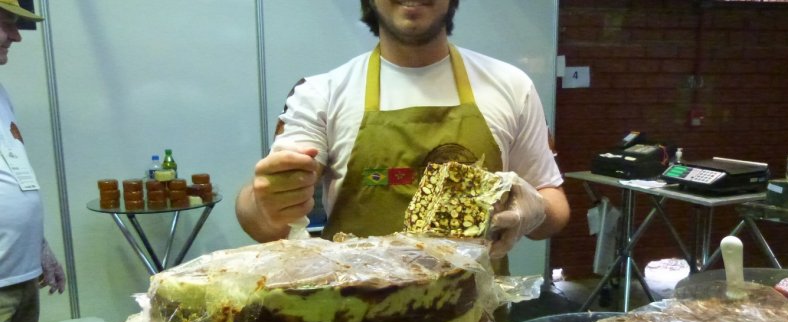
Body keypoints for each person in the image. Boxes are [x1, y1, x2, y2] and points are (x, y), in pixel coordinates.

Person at [236, 0, 569, 266]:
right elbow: (266, 223)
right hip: (354, 321)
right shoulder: (321, 94)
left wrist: (535, 209)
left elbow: (555, 206)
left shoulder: (510, 86)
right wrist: (264, 203)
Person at [0, 2, 66, 322]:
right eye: (7, 23)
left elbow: (10, 175)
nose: (17, 36)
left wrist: (37, 245)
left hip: (18, 273)